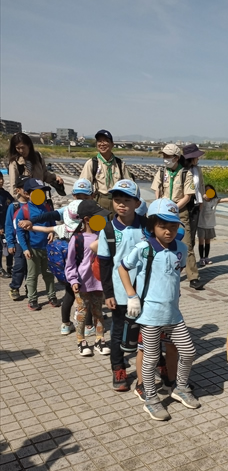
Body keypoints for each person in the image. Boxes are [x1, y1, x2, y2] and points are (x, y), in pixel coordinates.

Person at [118, 199, 199, 421]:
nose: (169, 231)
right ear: (152, 225)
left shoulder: (181, 248)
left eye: (173, 226)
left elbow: (175, 273)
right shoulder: (144, 249)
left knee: (189, 351)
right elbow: (122, 268)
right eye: (163, 226)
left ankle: (180, 387)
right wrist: (131, 296)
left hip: (173, 314)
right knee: (151, 357)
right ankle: (151, 399)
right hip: (151, 316)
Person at [18, 179, 95, 335]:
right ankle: (87, 326)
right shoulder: (92, 213)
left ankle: (66, 324)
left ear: (92, 196)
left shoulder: (64, 225)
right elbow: (49, 215)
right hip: (85, 263)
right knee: (86, 294)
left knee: (69, 293)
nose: (81, 200)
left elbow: (48, 221)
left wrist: (31, 223)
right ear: (74, 196)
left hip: (69, 265)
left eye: (85, 197)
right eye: (79, 197)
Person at [97, 179, 146, 391]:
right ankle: (118, 369)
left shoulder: (147, 226)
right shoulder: (107, 231)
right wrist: (108, 294)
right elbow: (105, 265)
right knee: (118, 331)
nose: (122, 204)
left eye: (127, 200)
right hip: (119, 292)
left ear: (137, 203)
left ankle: (158, 365)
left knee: (149, 330)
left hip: (146, 291)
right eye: (117, 200)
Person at [151, 144, 202, 289]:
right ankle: (159, 272)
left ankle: (193, 277)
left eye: (168, 156)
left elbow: (188, 195)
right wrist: (161, 205)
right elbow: (157, 190)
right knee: (159, 241)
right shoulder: (161, 172)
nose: (165, 159)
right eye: (164, 156)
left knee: (186, 243)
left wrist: (173, 208)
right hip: (162, 211)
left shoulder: (186, 173)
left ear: (177, 158)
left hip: (180, 210)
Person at [64, 200, 110, 357]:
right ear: (87, 219)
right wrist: (73, 280)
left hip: (99, 282)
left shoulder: (103, 235)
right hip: (82, 282)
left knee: (98, 312)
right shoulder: (77, 239)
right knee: (82, 312)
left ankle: (99, 339)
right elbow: (70, 264)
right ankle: (81, 340)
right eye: (99, 217)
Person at [15, 179, 61, 311]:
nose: (41, 195)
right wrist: (24, 248)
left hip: (47, 247)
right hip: (32, 249)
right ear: (27, 194)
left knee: (48, 273)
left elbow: (52, 222)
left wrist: (52, 232)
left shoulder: (47, 207)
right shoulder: (23, 210)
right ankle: (32, 299)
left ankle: (52, 296)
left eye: (43, 192)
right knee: (32, 275)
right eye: (37, 192)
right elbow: (20, 231)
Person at [79, 130, 131, 212]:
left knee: (116, 224)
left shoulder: (120, 164)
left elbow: (129, 185)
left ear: (112, 144)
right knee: (99, 225)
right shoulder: (92, 163)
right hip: (98, 202)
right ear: (96, 144)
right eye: (99, 141)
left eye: (106, 141)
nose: (102, 144)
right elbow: (83, 187)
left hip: (117, 202)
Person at [197, 184, 228, 266]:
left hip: (210, 224)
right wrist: (202, 196)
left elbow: (224, 199)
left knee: (208, 241)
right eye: (206, 191)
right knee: (201, 241)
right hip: (201, 224)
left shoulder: (215, 200)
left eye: (209, 191)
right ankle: (201, 258)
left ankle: (206, 257)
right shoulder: (201, 200)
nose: (207, 193)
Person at [5, 178, 29, 300]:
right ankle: (14, 287)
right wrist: (10, 243)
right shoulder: (13, 206)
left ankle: (30, 288)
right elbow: (9, 226)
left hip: (32, 242)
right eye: (26, 188)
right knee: (19, 266)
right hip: (18, 242)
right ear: (18, 190)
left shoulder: (35, 205)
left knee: (31, 268)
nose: (29, 191)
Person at [183, 143, 205, 267]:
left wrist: (201, 201)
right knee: (184, 235)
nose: (198, 159)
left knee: (191, 237)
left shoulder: (198, 170)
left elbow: (200, 187)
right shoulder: (182, 170)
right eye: (196, 157)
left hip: (196, 205)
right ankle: (185, 262)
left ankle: (189, 262)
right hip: (184, 204)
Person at [0, 173, 14, 276]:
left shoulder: (5, 194)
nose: (1, 181)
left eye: (1, 179)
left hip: (7, 226)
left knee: (9, 245)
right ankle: (0, 269)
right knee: (0, 248)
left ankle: (10, 267)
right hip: (0, 226)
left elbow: (13, 205)